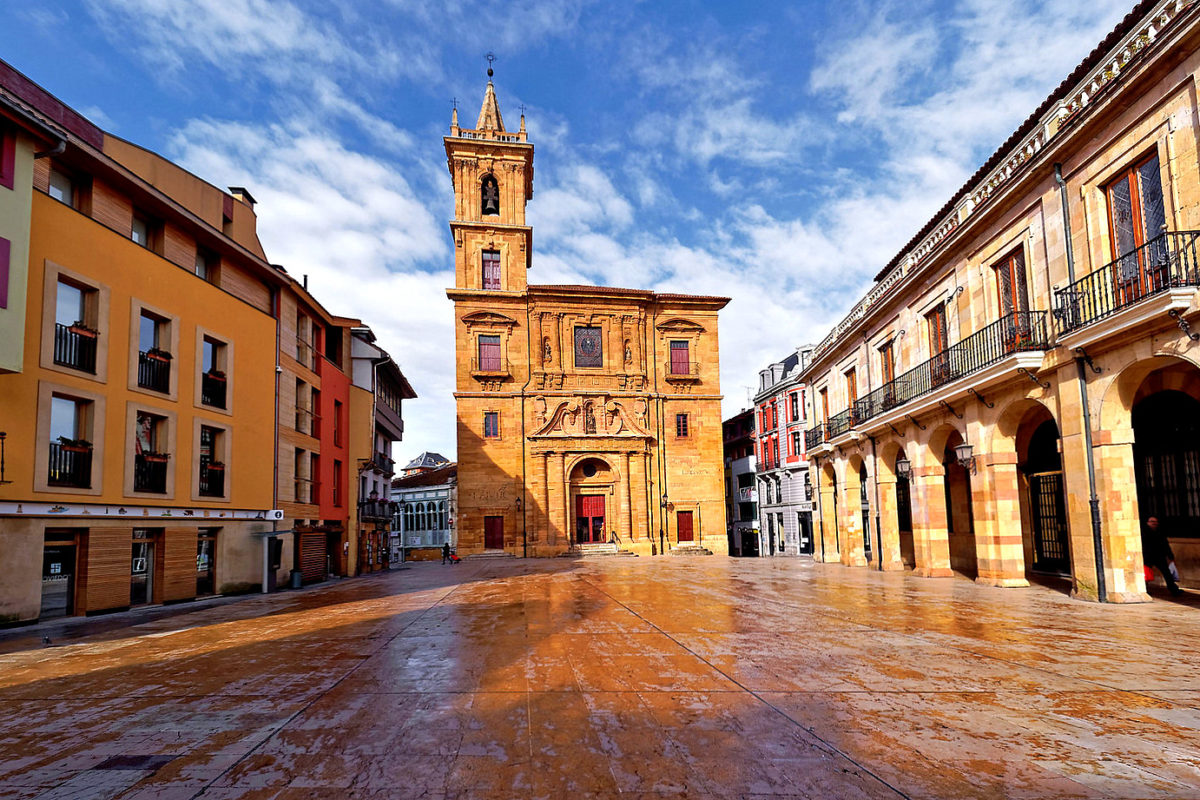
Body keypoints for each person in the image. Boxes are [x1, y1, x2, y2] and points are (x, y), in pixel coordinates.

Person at [1142, 516, 1182, 596]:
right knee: (1146, 574)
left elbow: (1165, 545)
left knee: (1167, 573)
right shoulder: (1144, 532)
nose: (1154, 523)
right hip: (1148, 556)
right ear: (1148, 523)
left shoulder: (1160, 532)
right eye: (1152, 521)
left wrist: (1170, 556)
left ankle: (1173, 589)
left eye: (1155, 521)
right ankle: (1144, 590)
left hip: (1159, 556)